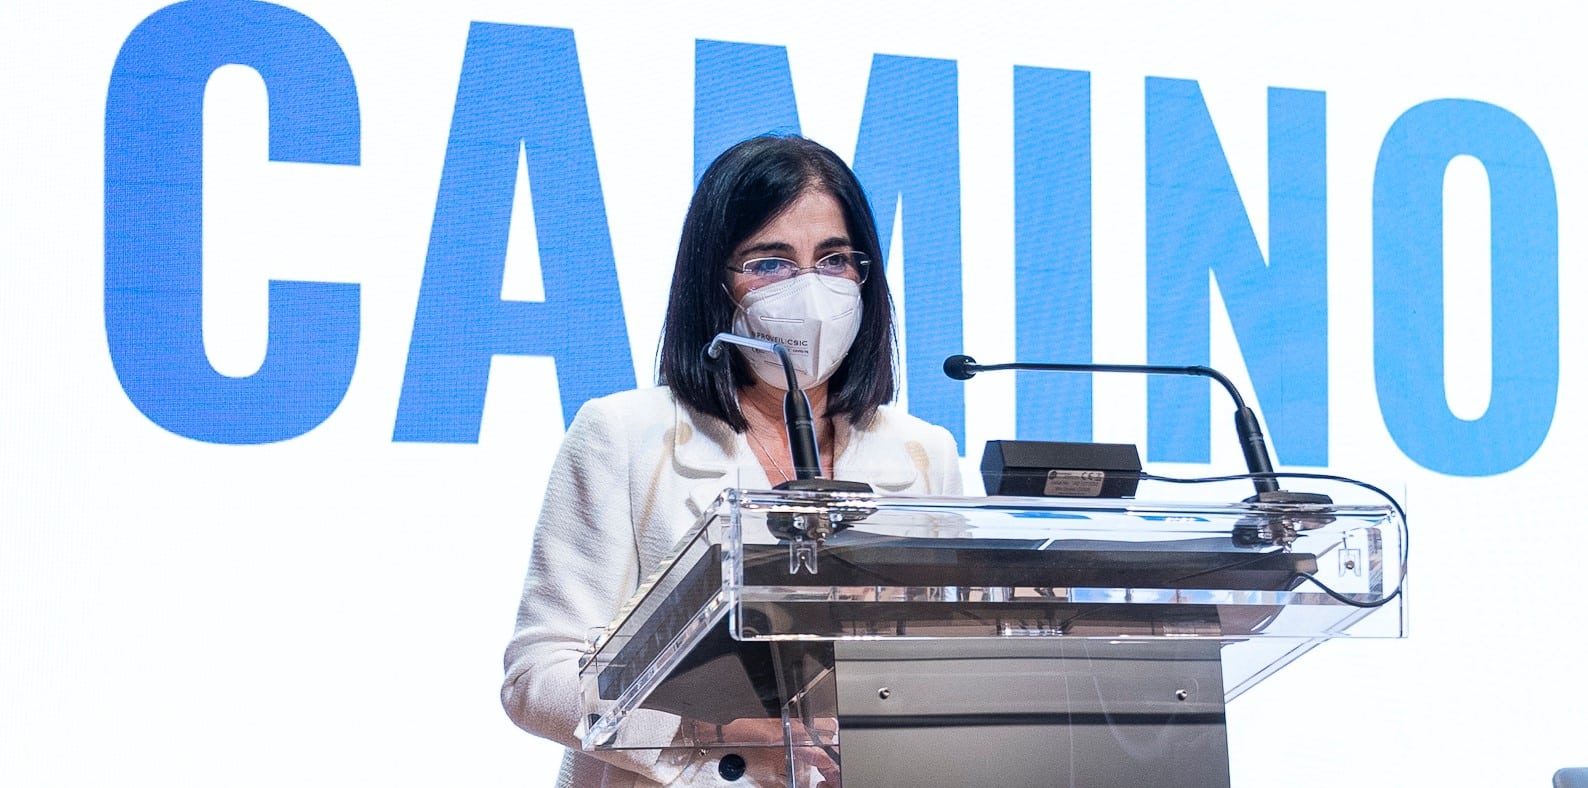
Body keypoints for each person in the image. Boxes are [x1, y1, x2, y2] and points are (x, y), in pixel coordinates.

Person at [501, 135, 963, 787]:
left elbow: (971, 662)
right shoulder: (624, 434)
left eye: (833, 259)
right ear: (716, 283)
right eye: (771, 263)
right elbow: (537, 678)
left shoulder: (924, 454)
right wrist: (723, 736)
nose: (810, 292)